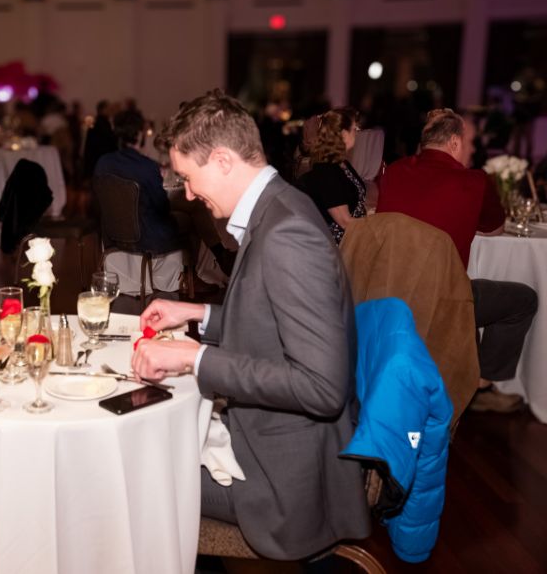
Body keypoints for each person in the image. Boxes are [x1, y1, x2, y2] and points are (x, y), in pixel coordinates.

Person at [131, 90, 370, 560]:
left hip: (285, 481)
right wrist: (197, 314)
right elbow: (271, 323)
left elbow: (322, 387)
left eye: (188, 178)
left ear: (222, 160)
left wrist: (197, 358)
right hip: (270, 441)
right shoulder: (279, 206)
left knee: (131, 470)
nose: (189, 194)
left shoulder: (286, 234)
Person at [377, 108, 538, 412]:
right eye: (471, 142)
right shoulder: (474, 182)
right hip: (442, 301)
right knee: (523, 300)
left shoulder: (393, 172)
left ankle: (461, 373)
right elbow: (495, 229)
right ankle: (481, 383)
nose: (473, 150)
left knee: (465, 289)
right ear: (454, 142)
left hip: (387, 291)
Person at [94, 109, 181, 255]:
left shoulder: (102, 163)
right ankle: (198, 264)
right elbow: (162, 207)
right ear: (140, 134)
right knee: (188, 220)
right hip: (148, 238)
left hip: (112, 236)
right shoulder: (148, 166)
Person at [298, 108, 366, 244]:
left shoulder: (343, 164)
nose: (357, 133)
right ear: (344, 134)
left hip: (353, 238)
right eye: (355, 129)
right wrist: (376, 228)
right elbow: (344, 222)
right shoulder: (326, 170)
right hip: (336, 246)